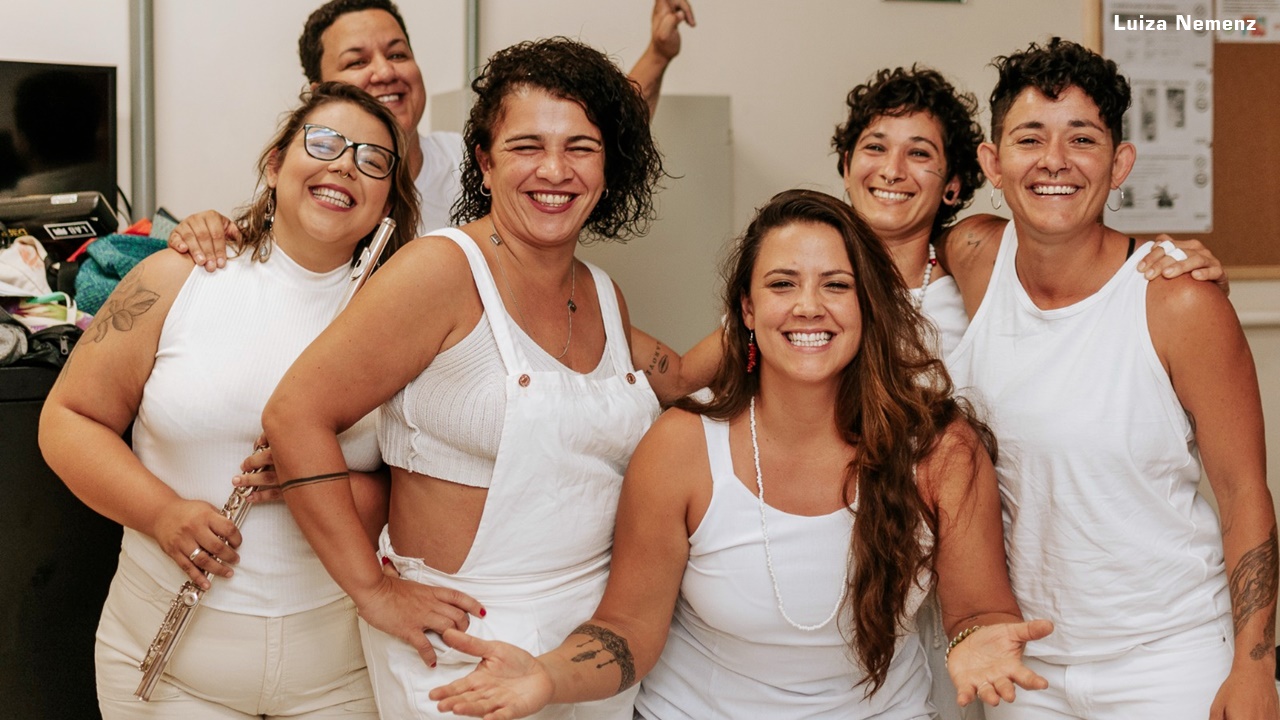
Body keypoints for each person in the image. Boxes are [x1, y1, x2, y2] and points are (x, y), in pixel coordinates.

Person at [423, 189, 1053, 719]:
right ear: (747, 310)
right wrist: (547, 676)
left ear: (868, 304)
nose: (808, 306)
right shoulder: (681, 446)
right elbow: (628, 628)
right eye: (783, 284)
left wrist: (980, 638)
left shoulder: (941, 450)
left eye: (836, 285)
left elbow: (980, 608)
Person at [260, 38, 695, 720]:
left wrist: (789, 300)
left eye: (580, 147)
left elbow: (686, 378)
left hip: (589, 652)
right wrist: (372, 590)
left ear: (608, 167)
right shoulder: (440, 271)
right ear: (485, 164)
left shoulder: (604, 294)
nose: (555, 170)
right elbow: (295, 414)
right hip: (463, 646)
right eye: (527, 146)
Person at [38, 82, 437, 718]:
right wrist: (164, 514)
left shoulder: (406, 321)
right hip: (168, 676)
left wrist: (318, 479)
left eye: (373, 160)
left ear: (388, 199)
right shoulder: (177, 277)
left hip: (341, 675)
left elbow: (424, 492)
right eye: (324, 143)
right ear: (275, 164)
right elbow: (68, 420)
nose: (345, 165)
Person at [944, 38, 1276, 719]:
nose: (1054, 161)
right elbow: (859, 246)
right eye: (1029, 138)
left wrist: (1255, 668)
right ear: (992, 163)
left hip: (1170, 657)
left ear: (1119, 163)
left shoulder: (1179, 300)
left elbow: (1244, 493)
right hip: (1028, 664)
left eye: (1082, 139)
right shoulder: (972, 252)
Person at [168, 0, 696, 263]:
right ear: (319, 93)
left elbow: (597, 124)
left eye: (398, 53)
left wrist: (657, 54)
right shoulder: (313, 188)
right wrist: (202, 231)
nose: (384, 71)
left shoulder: (475, 163)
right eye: (357, 61)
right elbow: (256, 251)